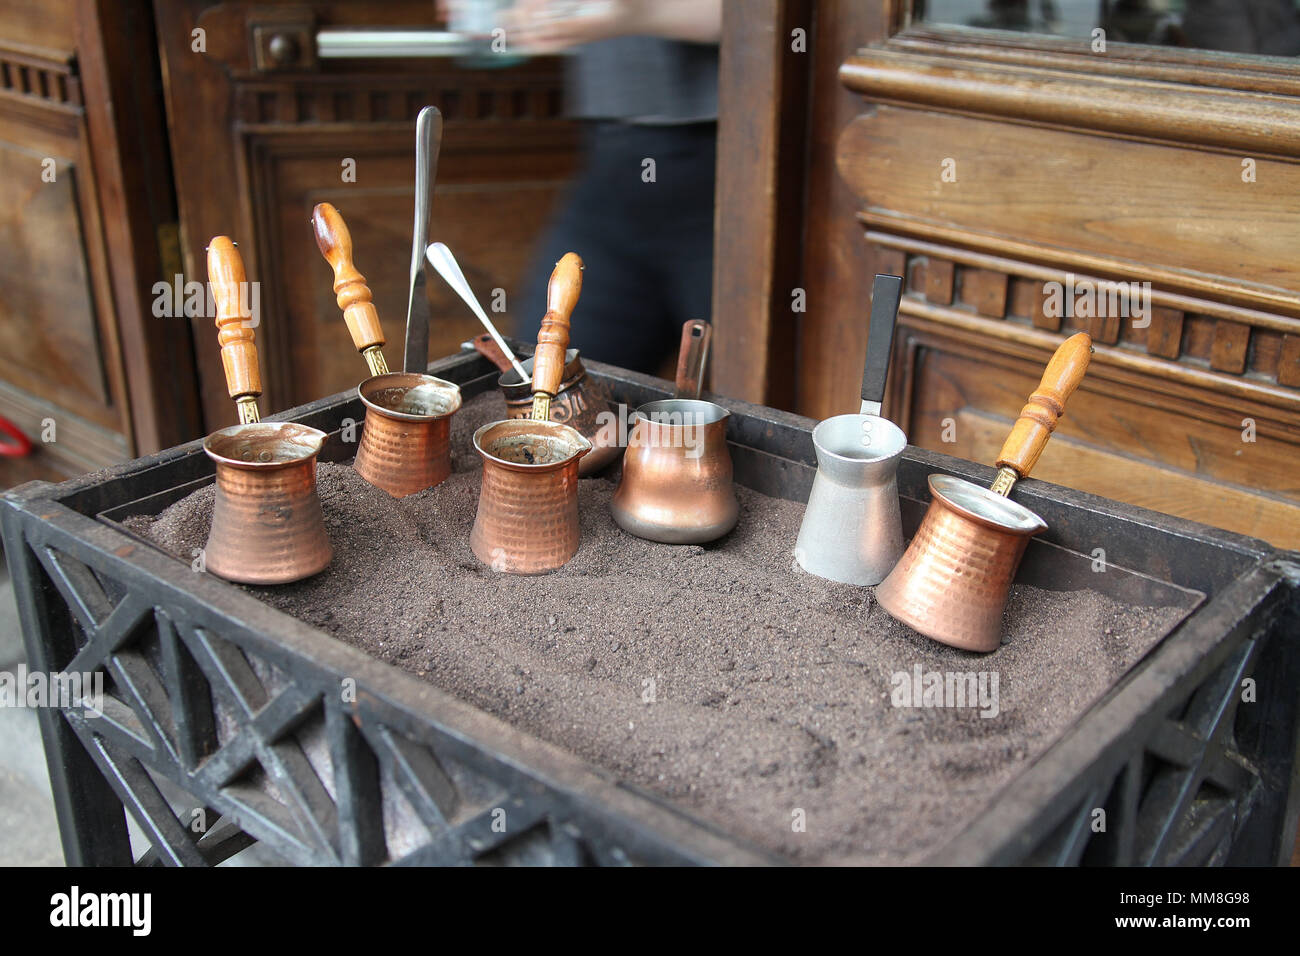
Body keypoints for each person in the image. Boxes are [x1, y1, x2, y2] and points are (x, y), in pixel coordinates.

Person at [501, 0, 723, 374]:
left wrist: (638, 13)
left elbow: (778, 16)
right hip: (612, 162)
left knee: (768, 416)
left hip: (738, 171)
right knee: (541, 397)